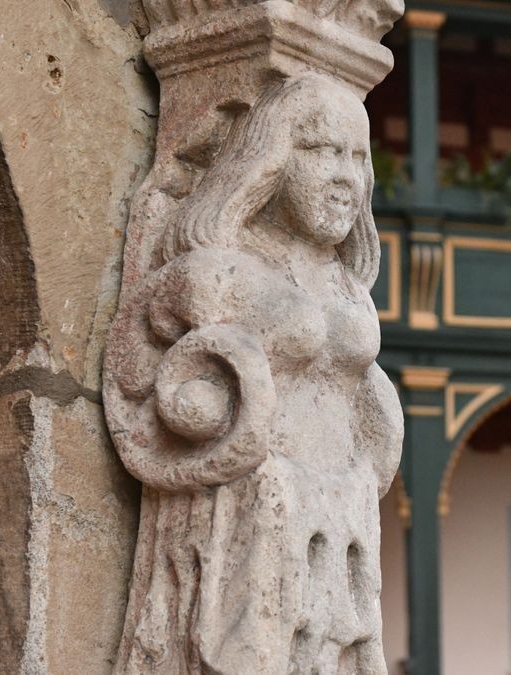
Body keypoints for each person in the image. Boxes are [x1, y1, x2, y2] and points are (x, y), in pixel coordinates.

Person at [104, 71, 403, 674]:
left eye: (357, 158)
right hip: (248, 519)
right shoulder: (221, 264)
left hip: (338, 522)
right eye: (321, 151)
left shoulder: (347, 286)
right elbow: (155, 361)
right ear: (271, 157)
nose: (346, 178)